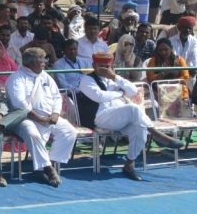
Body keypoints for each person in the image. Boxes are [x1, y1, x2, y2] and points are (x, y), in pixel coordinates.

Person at [77, 52, 183, 180]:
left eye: (107, 66)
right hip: (101, 117)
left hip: (121, 117)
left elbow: (133, 90)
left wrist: (115, 77)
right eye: (101, 66)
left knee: (140, 129)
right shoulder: (87, 79)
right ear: (94, 65)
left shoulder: (115, 79)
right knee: (133, 108)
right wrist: (121, 93)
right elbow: (99, 96)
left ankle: (129, 164)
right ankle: (156, 134)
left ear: (112, 67)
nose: (104, 69)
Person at [5, 47, 77, 186]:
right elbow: (20, 104)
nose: (45, 63)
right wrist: (39, 118)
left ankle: (49, 163)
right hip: (24, 118)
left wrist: (55, 113)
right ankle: (48, 170)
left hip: (49, 117)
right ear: (30, 63)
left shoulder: (45, 76)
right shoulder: (17, 78)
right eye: (42, 60)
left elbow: (57, 96)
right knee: (33, 133)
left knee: (69, 131)